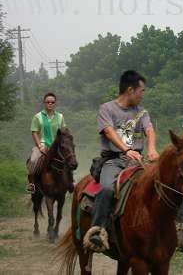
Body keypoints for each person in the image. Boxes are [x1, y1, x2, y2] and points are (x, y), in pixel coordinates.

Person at [86, 70, 159, 251]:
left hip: (137, 162)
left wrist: (151, 149)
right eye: (141, 91)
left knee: (162, 184)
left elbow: (149, 130)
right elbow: (109, 132)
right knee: (107, 189)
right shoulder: (107, 109)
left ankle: (174, 229)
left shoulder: (142, 112)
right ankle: (97, 231)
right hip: (114, 161)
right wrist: (126, 150)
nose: (142, 95)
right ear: (130, 90)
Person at [27, 92, 69, 193]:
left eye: (52, 102)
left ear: (55, 103)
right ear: (44, 103)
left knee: (70, 159)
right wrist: (40, 146)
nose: (50, 104)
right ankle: (31, 184)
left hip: (57, 147)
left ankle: (70, 181)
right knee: (33, 160)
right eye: (48, 102)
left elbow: (64, 131)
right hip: (42, 145)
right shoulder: (37, 117)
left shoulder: (60, 116)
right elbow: (34, 132)